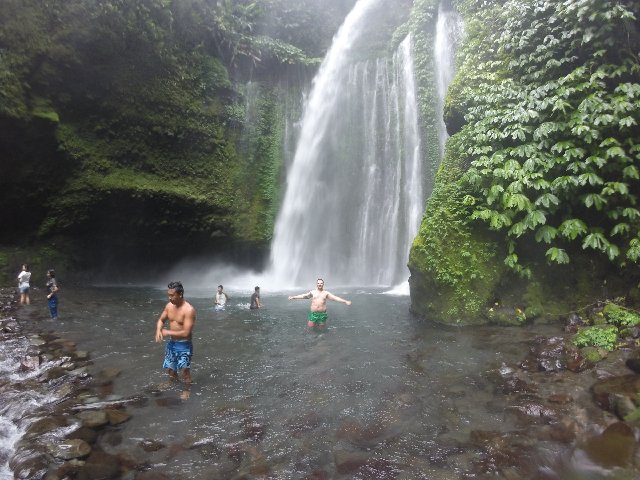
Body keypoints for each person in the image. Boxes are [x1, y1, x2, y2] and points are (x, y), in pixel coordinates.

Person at [154, 281, 196, 400]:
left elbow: (186, 332)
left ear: (180, 294)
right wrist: (158, 330)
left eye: (172, 295)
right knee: (171, 369)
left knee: (185, 372)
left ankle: (187, 390)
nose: (169, 297)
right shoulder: (169, 306)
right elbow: (161, 320)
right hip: (172, 344)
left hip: (184, 345)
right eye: (168, 295)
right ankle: (172, 383)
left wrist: (167, 332)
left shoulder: (189, 310)